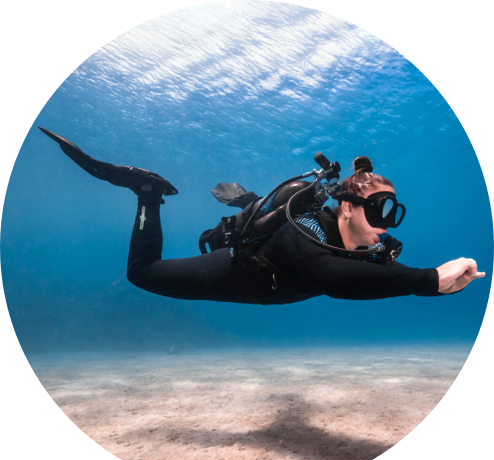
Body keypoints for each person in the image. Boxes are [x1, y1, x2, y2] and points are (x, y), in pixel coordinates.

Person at [38, 126, 485, 305]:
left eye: (392, 212)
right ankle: (147, 194)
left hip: (272, 268)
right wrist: (430, 279)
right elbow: (333, 279)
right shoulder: (308, 228)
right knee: (141, 273)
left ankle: (248, 202)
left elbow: (377, 277)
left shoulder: (368, 244)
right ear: (347, 207)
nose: (386, 225)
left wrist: (435, 285)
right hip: (237, 271)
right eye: (378, 209)